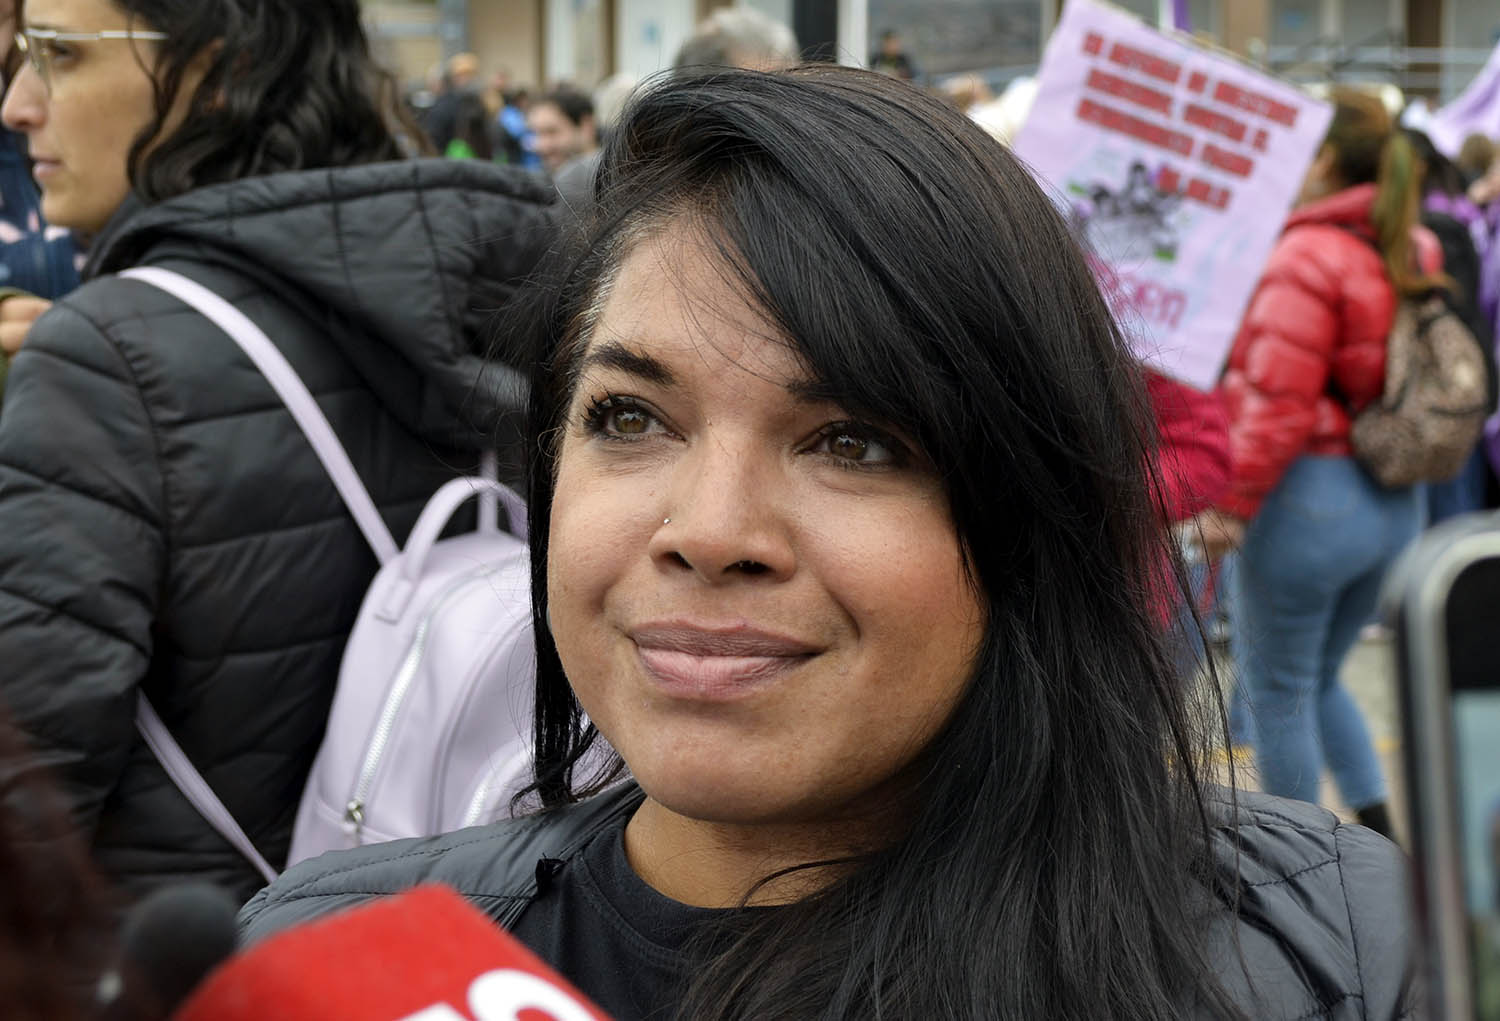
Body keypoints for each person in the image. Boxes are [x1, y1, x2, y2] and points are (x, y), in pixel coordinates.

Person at [241, 67, 1415, 1020]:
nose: (709, 533)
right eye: (630, 417)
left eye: (853, 439)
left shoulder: (1343, 947)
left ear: (1029, 510)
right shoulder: (328, 967)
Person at [0, 0, 554, 906]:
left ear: (216, 73)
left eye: (58, 54)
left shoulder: (110, 357)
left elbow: (29, 794)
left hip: (195, 961)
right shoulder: (489, 282)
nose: (18, 101)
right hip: (456, 942)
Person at [1196, 88, 1439, 837]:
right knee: (1318, 677)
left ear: (1325, 157)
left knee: (1278, 689)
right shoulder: (1410, 242)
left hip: (1310, 500)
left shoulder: (1304, 253)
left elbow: (1277, 400)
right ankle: (1378, 832)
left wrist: (1231, 505)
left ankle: (1300, 870)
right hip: (1395, 502)